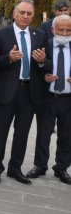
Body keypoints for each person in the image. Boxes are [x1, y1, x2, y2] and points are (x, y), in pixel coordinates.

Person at [0, 0, 47, 185]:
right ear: (14, 14)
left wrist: (42, 61)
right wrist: (8, 58)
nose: (25, 16)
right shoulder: (0, 34)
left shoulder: (40, 35)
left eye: (29, 13)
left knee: (22, 133)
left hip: (30, 91)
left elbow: (47, 64)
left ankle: (15, 168)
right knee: (0, 132)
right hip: (6, 91)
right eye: (22, 12)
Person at [27, 14, 71, 184]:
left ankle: (62, 168)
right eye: (61, 30)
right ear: (53, 30)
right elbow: (35, 69)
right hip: (48, 98)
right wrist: (43, 70)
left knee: (66, 135)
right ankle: (40, 165)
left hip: (68, 99)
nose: (65, 33)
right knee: (43, 134)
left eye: (68, 30)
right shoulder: (44, 45)